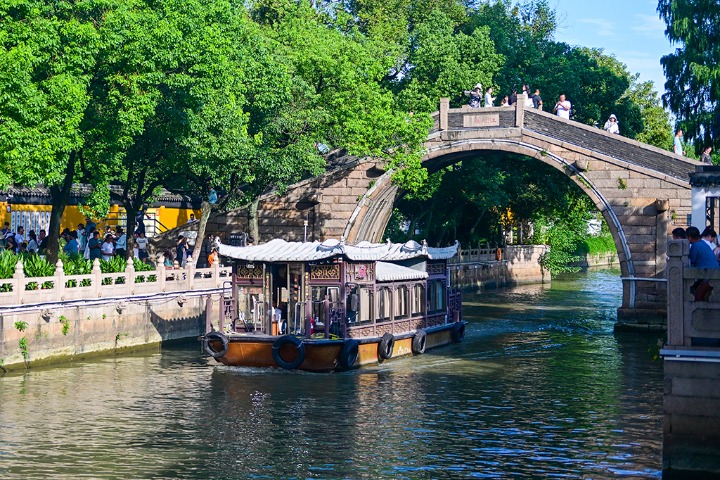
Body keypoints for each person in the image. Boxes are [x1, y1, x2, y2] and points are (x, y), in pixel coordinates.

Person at [686, 226, 719, 300]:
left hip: (709, 275)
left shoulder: (695, 246)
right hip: (713, 272)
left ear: (689, 238)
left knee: (696, 295)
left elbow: (691, 260)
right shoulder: (704, 243)